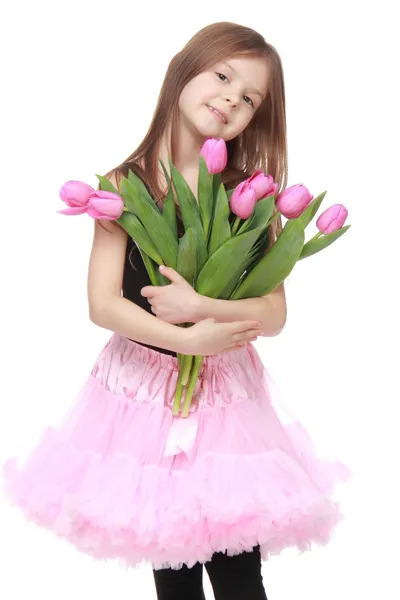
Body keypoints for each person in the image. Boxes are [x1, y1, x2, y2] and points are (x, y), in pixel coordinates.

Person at [1, 21, 349, 600]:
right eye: (222, 76)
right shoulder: (125, 185)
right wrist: (184, 340)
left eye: (248, 99)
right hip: (142, 394)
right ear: (185, 70)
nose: (230, 99)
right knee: (173, 559)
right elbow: (101, 303)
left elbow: (275, 315)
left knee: (239, 570)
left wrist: (197, 306)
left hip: (222, 399)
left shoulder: (251, 195)